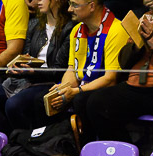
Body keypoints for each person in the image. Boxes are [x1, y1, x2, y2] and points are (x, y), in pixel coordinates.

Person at [87, 0, 153, 147]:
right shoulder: (147, 17)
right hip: (138, 86)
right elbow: (123, 62)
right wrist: (137, 44)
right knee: (98, 102)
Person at [0, 0, 75, 134]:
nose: (37, 1)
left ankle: (25, 141)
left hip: (49, 81)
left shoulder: (70, 28)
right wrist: (18, 65)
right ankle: (8, 139)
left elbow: (58, 70)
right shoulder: (34, 24)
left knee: (14, 104)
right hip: (28, 78)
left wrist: (32, 70)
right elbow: (27, 54)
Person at [42, 0, 128, 144]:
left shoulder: (116, 30)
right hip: (84, 86)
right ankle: (58, 147)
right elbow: (72, 69)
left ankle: (89, 146)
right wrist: (63, 89)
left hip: (110, 89)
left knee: (81, 99)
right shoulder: (77, 31)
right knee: (43, 100)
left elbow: (111, 78)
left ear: (92, 6)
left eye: (74, 5)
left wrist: (76, 91)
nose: (69, 9)